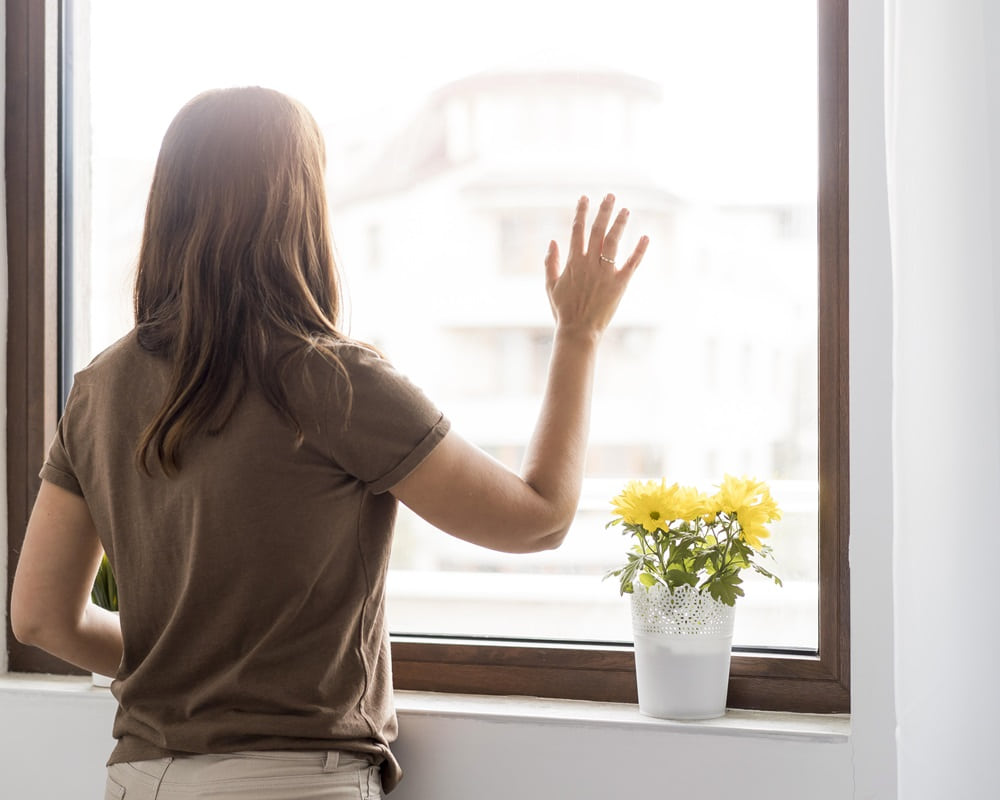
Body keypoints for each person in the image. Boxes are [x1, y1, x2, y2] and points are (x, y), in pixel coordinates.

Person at [10, 86, 648, 799]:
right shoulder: (331, 381)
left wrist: (177, 662)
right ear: (300, 209)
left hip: (138, 779)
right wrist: (579, 336)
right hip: (287, 782)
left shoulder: (100, 388)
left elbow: (39, 616)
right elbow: (540, 520)